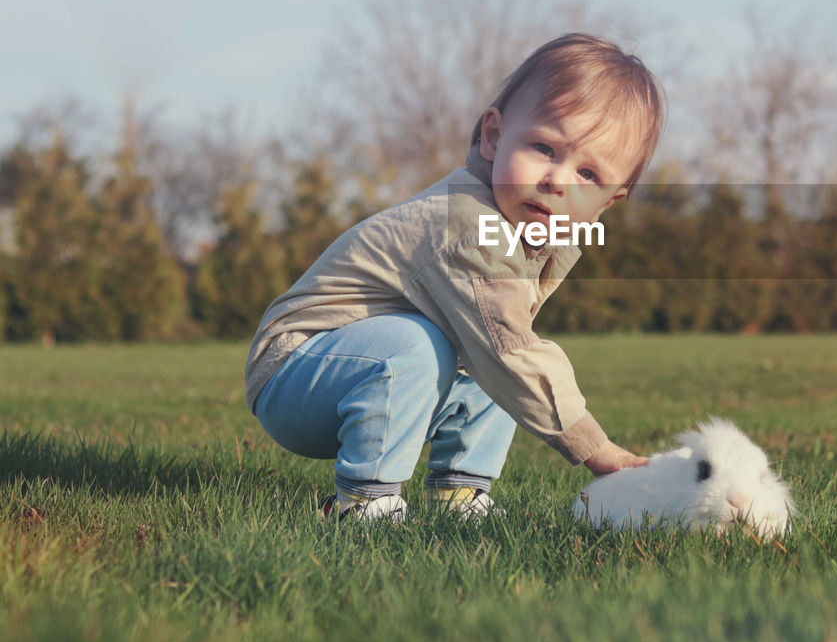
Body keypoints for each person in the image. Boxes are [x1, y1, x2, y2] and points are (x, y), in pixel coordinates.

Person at [244, 33, 664, 521]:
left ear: (607, 204)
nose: (557, 181)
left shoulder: (532, 232)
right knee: (477, 347)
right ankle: (363, 503)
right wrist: (595, 447)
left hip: (363, 378)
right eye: (544, 147)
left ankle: (459, 494)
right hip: (297, 370)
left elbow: (500, 350)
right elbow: (509, 350)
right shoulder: (469, 226)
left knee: (487, 351)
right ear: (492, 137)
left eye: (589, 175)